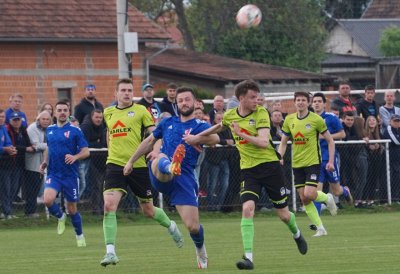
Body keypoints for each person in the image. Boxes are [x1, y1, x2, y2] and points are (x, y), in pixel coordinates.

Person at [192, 80, 308, 270]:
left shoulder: (261, 113)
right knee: (247, 209)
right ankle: (248, 258)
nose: (257, 100)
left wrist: (240, 133)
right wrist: (196, 138)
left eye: (258, 96)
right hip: (248, 170)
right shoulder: (230, 115)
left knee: (284, 215)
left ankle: (296, 234)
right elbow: (219, 127)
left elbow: (263, 142)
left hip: (270, 168)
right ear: (241, 99)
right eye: (253, 97)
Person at [124, 86, 220, 269]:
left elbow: (215, 138)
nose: (184, 103)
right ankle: (170, 165)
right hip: (161, 172)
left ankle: (201, 251)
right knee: (159, 157)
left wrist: (196, 139)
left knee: (193, 227)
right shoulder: (168, 123)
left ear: (194, 102)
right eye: (181, 100)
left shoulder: (200, 125)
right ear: (176, 104)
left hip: (184, 178)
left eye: (187, 99)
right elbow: (149, 141)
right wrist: (131, 161)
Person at [100, 78, 182, 267]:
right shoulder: (108, 112)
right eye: (123, 90)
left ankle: (171, 226)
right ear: (116, 93)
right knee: (108, 206)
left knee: (148, 210)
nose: (127, 93)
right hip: (114, 165)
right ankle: (110, 252)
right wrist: (111, 150)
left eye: (129, 90)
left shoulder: (141, 111)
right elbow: (109, 134)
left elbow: (156, 133)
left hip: (138, 167)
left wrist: (156, 150)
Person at [278, 91, 338, 237]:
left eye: (303, 100)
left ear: (308, 102)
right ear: (294, 102)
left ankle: (327, 198)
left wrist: (330, 161)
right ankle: (321, 228)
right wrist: (279, 156)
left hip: (313, 162)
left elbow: (330, 141)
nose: (300, 102)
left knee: (310, 193)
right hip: (297, 164)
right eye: (298, 100)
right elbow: (283, 142)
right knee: (304, 199)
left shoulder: (316, 119)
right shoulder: (289, 120)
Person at [39, 101, 89, 247]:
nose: (62, 112)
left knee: (72, 209)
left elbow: (86, 151)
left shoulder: (75, 131)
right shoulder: (50, 130)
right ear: (54, 113)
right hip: (54, 174)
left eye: (65, 110)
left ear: (68, 112)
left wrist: (75, 157)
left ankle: (79, 235)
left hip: (70, 176)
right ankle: (61, 217)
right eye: (59, 110)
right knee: (48, 200)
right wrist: (45, 162)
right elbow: (48, 148)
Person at [311, 93, 353, 216]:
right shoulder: (309, 119)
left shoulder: (331, 117)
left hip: (330, 158)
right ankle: (316, 221)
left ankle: (345, 191)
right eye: (315, 101)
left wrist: (325, 136)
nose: (317, 103)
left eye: (319, 101)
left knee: (336, 191)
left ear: (324, 104)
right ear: (312, 104)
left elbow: (342, 134)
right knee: (316, 190)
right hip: (315, 159)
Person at [25, 111, 52, 218]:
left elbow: (41, 145)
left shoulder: (48, 129)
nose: (45, 121)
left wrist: (45, 146)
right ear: (38, 119)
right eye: (43, 119)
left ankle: (32, 211)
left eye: (47, 119)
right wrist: (50, 145)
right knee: (32, 190)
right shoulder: (32, 128)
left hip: (42, 163)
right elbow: (35, 145)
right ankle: (29, 212)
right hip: (32, 163)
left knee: (37, 189)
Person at [7, 112, 35, 207]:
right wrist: (25, 149)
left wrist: (31, 146)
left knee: (18, 185)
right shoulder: (8, 130)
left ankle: (10, 207)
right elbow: (11, 145)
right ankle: (7, 208)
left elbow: (27, 142)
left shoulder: (23, 129)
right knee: (11, 186)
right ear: (10, 121)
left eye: (18, 120)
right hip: (11, 162)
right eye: (14, 120)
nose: (16, 122)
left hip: (22, 161)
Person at [341, 111, 368, 208]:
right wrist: (357, 140)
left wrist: (358, 140)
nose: (350, 122)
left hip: (354, 157)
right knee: (348, 181)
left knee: (360, 179)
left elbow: (355, 138)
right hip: (345, 159)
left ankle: (357, 201)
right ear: (343, 119)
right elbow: (346, 138)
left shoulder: (354, 128)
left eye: (352, 120)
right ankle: (350, 201)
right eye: (348, 119)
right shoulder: (341, 127)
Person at [79, 109, 106, 205]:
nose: (99, 119)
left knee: (98, 184)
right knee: (82, 184)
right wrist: (97, 143)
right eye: (96, 117)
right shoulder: (85, 126)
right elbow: (84, 144)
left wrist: (96, 144)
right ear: (91, 117)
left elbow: (102, 144)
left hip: (96, 159)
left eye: (100, 118)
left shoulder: (101, 126)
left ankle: (99, 207)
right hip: (82, 159)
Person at [0, 109, 17, 219]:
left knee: (7, 188)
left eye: (2, 116)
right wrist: (4, 149)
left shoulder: (3, 128)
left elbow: (8, 142)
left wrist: (11, 149)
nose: (1, 119)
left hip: (4, 163)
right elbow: (3, 147)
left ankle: (7, 212)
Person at [363, 116, 384, 206]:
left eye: (373, 120)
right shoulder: (364, 133)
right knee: (366, 179)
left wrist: (379, 146)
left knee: (374, 179)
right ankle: (363, 199)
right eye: (370, 120)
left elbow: (382, 145)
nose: (372, 122)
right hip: (367, 159)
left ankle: (371, 199)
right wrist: (368, 145)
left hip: (377, 159)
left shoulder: (378, 133)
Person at [382, 114, 400, 202]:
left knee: (397, 178)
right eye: (395, 121)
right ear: (390, 121)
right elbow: (396, 141)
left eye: (398, 121)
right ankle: (387, 199)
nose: (397, 123)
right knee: (389, 179)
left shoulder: (398, 129)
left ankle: (396, 198)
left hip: (397, 159)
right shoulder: (388, 129)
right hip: (389, 159)